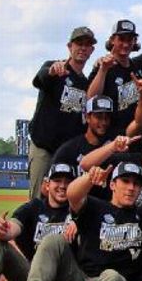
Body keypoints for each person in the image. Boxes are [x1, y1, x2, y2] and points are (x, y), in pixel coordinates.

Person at [10, 161, 142, 281]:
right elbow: (73, 194)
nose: (131, 188)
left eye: (136, 184)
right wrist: (90, 177)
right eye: (125, 181)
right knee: (53, 240)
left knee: (113, 276)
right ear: (112, 185)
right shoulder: (95, 207)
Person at [27, 26, 97, 198]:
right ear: (69, 46)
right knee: (38, 200)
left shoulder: (86, 84)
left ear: (91, 50)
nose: (82, 48)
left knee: (64, 201)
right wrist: (52, 72)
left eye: (87, 45)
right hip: (44, 148)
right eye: (78, 43)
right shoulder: (55, 67)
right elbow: (40, 79)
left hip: (66, 154)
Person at [86, 19, 142, 139]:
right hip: (110, 138)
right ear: (112, 40)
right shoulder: (103, 66)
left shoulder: (138, 66)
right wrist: (103, 70)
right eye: (122, 39)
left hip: (136, 136)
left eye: (130, 40)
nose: (126, 44)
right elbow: (91, 99)